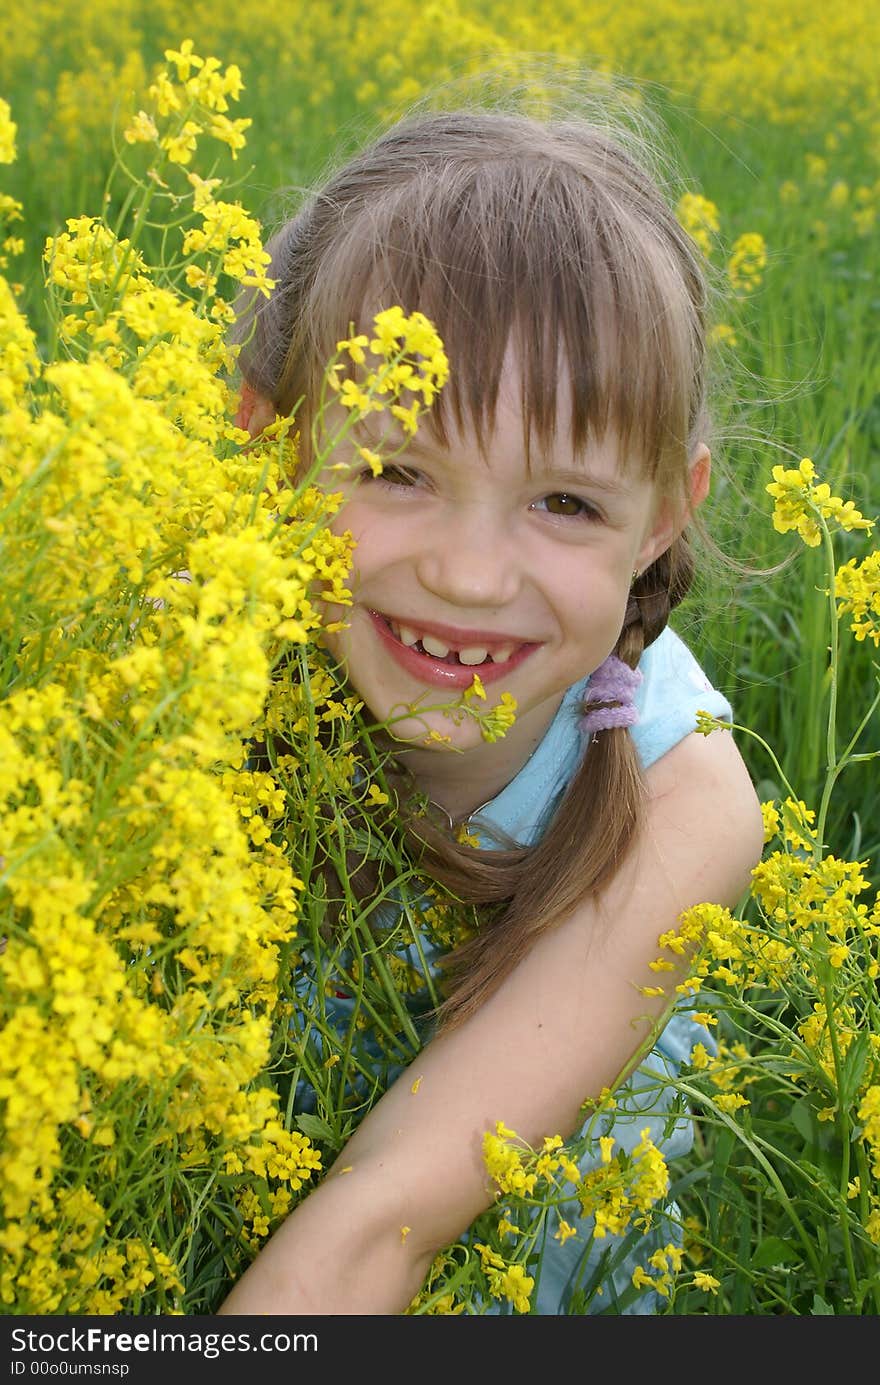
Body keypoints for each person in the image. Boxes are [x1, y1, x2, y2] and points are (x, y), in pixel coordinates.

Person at [217, 104, 764, 1316]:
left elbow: (381, 1221)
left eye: (564, 501)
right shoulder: (191, 658)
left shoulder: (685, 795)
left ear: (665, 514)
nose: (470, 576)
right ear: (273, 441)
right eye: (396, 470)